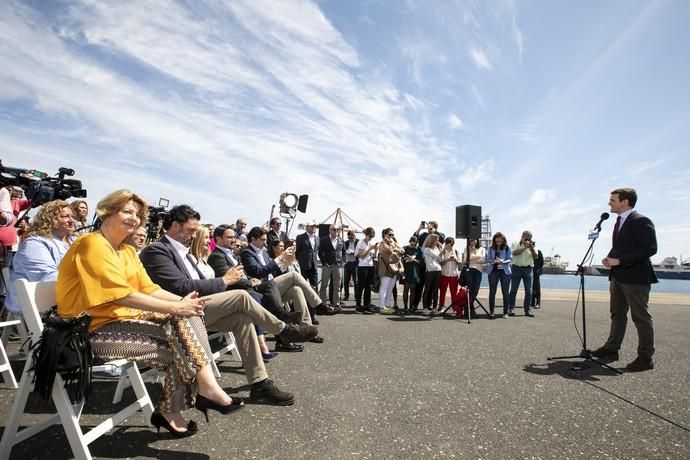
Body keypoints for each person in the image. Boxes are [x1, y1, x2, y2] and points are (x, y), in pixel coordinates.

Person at [57, 190, 243, 437]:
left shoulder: (125, 251)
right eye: (127, 211)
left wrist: (184, 303)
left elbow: (149, 288)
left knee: (187, 334)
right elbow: (119, 294)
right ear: (107, 211)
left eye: (137, 214)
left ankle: (201, 393)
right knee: (185, 349)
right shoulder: (92, 243)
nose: (134, 218)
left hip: (125, 321)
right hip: (90, 331)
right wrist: (176, 307)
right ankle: (184, 401)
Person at [139, 204, 318, 405]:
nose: (193, 236)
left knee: (242, 319)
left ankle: (259, 384)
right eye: (190, 230)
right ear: (174, 226)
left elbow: (200, 284)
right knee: (240, 296)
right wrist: (225, 281)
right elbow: (180, 286)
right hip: (177, 311)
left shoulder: (185, 253)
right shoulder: (157, 250)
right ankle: (283, 330)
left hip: (198, 309)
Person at [592, 188, 658, 371]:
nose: (609, 203)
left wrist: (620, 260)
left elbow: (650, 248)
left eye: (612, 200)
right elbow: (624, 247)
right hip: (618, 276)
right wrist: (610, 259)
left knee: (641, 318)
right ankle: (611, 350)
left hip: (635, 278)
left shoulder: (641, 221)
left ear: (625, 201)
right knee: (617, 315)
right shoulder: (619, 221)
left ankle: (645, 358)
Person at [5, 200, 74, 314]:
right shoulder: (34, 244)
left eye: (72, 216)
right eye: (65, 216)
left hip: (62, 303)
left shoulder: (69, 243)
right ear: (50, 219)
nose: (72, 220)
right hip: (38, 310)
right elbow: (48, 278)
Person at [508, 231, 537, 317]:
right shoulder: (515, 243)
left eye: (529, 238)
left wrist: (531, 248)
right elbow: (514, 253)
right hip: (516, 268)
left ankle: (527, 310)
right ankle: (511, 309)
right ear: (522, 236)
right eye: (526, 238)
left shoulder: (533, 246)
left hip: (528, 269)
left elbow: (535, 257)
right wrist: (525, 247)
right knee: (513, 290)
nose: (528, 240)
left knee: (529, 291)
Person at [377, 228, 404, 314]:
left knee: (390, 288)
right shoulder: (382, 243)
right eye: (390, 235)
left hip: (394, 269)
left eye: (393, 235)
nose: (392, 236)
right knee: (384, 287)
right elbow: (389, 251)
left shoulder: (392, 243)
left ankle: (387, 305)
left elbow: (402, 250)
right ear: (384, 235)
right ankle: (381, 306)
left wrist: (395, 247)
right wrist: (395, 247)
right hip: (385, 269)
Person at [486, 232, 512, 319]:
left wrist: (502, 261)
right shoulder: (490, 248)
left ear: (503, 240)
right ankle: (492, 312)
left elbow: (510, 259)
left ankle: (506, 312)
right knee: (492, 292)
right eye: (497, 241)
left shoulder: (507, 248)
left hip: (505, 272)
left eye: (500, 241)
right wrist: (494, 261)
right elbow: (488, 259)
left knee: (505, 292)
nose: (498, 242)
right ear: (494, 240)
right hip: (493, 271)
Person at [318, 224, 343, 307]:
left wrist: (343, 262)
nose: (335, 231)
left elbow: (344, 252)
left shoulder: (341, 240)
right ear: (330, 230)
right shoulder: (324, 240)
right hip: (327, 265)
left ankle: (336, 303)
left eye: (337, 229)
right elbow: (320, 252)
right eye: (333, 229)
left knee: (337, 286)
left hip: (337, 265)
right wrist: (324, 262)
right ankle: (323, 303)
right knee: (324, 285)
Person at [354, 227, 377, 314]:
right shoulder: (361, 242)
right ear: (366, 235)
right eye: (370, 236)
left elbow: (373, 256)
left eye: (372, 236)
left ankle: (367, 305)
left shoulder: (370, 242)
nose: (371, 238)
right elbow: (361, 256)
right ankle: (358, 305)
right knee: (361, 286)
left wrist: (375, 249)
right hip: (362, 266)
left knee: (368, 287)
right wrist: (370, 249)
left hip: (370, 265)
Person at [462, 238, 486, 313]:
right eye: (471, 239)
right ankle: (469, 308)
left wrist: (472, 260)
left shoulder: (482, 249)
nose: (473, 241)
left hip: (478, 271)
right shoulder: (466, 249)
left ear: (477, 240)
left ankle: (469, 305)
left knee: (476, 289)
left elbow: (483, 260)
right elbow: (465, 260)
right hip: (469, 271)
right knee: (470, 289)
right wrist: (477, 257)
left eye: (475, 239)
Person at [421, 234, 442, 316]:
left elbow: (440, 258)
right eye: (437, 240)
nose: (438, 241)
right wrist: (443, 250)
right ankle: (425, 308)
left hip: (438, 270)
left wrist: (440, 249)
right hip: (430, 271)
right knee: (427, 289)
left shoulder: (437, 248)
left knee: (436, 290)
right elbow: (437, 257)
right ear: (432, 240)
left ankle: (434, 308)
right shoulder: (427, 249)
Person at [294, 220, 320, 290]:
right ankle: (303, 300)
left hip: (314, 265)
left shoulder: (317, 238)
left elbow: (317, 251)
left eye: (315, 226)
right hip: (303, 265)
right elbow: (297, 251)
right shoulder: (300, 237)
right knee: (302, 284)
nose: (314, 228)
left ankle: (314, 300)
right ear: (307, 227)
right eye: (312, 226)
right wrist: (298, 262)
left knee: (314, 284)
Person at [438, 237, 461, 312]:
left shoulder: (457, 251)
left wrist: (455, 259)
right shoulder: (443, 251)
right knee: (442, 292)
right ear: (445, 243)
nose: (450, 245)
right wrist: (447, 259)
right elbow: (440, 262)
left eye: (451, 243)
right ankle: (441, 306)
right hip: (444, 274)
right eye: (448, 243)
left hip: (454, 274)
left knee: (454, 293)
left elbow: (460, 262)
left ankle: (454, 307)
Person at [402, 236, 423, 311]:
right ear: (409, 241)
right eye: (412, 242)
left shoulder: (418, 249)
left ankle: (411, 307)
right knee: (406, 289)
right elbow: (401, 258)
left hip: (415, 271)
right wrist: (407, 259)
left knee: (413, 289)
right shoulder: (405, 248)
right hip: (406, 271)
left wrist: (414, 260)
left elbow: (421, 262)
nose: (413, 244)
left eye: (415, 243)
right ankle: (405, 307)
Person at [342, 230, 359, 302]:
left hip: (355, 263)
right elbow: (343, 252)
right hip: (347, 264)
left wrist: (354, 252)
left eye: (352, 236)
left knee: (356, 281)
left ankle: (356, 296)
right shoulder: (345, 243)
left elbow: (360, 251)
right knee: (346, 281)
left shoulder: (358, 242)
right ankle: (346, 296)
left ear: (354, 235)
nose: (350, 238)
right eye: (349, 237)